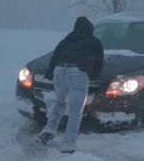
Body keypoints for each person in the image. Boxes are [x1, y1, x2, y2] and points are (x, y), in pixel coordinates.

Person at [35, 16, 104, 153]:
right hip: (78, 72)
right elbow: (99, 61)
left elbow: (55, 57)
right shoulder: (93, 41)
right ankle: (68, 144)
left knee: (60, 102)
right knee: (75, 111)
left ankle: (48, 130)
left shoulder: (66, 40)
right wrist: (94, 76)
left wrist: (50, 72)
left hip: (59, 71)